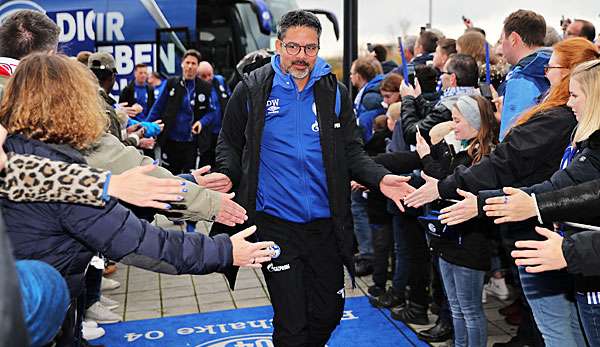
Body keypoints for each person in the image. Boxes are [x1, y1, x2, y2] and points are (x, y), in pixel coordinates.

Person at [0, 53, 275, 347]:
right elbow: (143, 243)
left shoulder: (21, 153)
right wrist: (225, 251)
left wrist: (185, 183)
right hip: (30, 315)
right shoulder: (66, 177)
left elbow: (111, 201)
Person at [211, 10, 415, 346]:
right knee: (292, 324)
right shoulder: (252, 88)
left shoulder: (334, 92)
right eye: (293, 47)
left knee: (328, 313)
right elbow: (229, 143)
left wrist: (380, 179)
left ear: (318, 49)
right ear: (278, 45)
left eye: (310, 48)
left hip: (327, 225)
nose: (301, 56)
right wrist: (227, 174)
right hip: (276, 224)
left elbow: (352, 151)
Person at [405, 38, 600, 347]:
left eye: (551, 67)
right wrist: (490, 202)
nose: (546, 73)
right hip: (556, 243)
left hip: (558, 246)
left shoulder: (562, 122)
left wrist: (483, 200)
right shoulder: (570, 126)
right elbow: (559, 185)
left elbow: (519, 170)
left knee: (558, 332)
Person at [480, 59, 600, 346]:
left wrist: (534, 205)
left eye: (574, 95)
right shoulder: (585, 141)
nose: (569, 103)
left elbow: (573, 189)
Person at [417, 95, 499, 347]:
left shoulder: (484, 159)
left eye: (456, 120)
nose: (453, 125)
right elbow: (443, 178)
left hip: (470, 242)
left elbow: (443, 181)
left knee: (470, 310)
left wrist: (427, 152)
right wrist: (437, 142)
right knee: (456, 308)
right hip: (449, 240)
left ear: (474, 122)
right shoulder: (462, 152)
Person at [146, 49, 212, 174]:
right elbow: (157, 107)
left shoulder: (205, 87)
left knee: (189, 178)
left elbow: (212, 112)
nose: (190, 66)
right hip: (170, 141)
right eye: (187, 63)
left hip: (191, 143)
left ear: (197, 67)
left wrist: (202, 122)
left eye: (193, 63)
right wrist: (144, 127)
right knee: (169, 176)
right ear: (182, 64)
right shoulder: (171, 83)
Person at [400, 53, 480, 145]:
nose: (441, 77)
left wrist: (407, 99)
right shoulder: (475, 98)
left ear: (452, 78)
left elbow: (412, 134)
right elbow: (432, 116)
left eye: (443, 73)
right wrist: (417, 98)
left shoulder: (451, 106)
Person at [497, 9, 550, 140]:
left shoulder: (522, 76)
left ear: (514, 39)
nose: (501, 45)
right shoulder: (557, 66)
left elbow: (511, 137)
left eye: (502, 39)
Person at [196, 61, 231, 167]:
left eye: (210, 74)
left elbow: (230, 99)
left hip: (222, 131)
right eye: (204, 76)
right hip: (206, 133)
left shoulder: (220, 81)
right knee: (205, 163)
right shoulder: (196, 87)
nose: (208, 78)